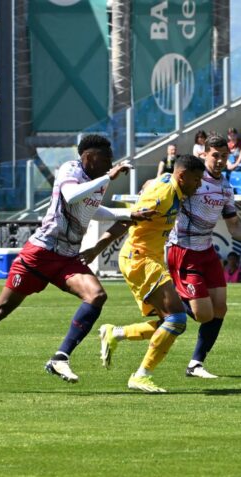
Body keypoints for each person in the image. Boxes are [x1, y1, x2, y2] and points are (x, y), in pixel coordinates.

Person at [0, 135, 150, 392]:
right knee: (0, 309)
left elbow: (91, 209)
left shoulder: (98, 181)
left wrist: (128, 214)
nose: (110, 164)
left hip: (67, 257)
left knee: (96, 295)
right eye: (105, 159)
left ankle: (59, 358)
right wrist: (108, 178)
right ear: (89, 157)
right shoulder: (70, 169)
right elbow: (70, 196)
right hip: (40, 253)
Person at [97, 136, 241, 381]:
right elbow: (165, 181)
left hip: (206, 250)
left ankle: (196, 363)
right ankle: (130, 330)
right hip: (183, 251)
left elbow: (234, 226)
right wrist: (150, 183)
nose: (219, 161)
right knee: (200, 315)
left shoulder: (226, 187)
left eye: (224, 157)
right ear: (204, 154)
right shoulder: (192, 180)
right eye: (215, 156)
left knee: (220, 308)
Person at [85, 154, 206, 393]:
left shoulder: (168, 183)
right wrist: (97, 248)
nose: (199, 185)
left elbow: (153, 181)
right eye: (196, 179)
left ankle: (115, 333)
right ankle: (141, 376)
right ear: (181, 177)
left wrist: (148, 186)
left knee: (167, 322)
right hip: (140, 259)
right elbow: (126, 221)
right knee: (177, 319)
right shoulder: (163, 196)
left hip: (146, 258)